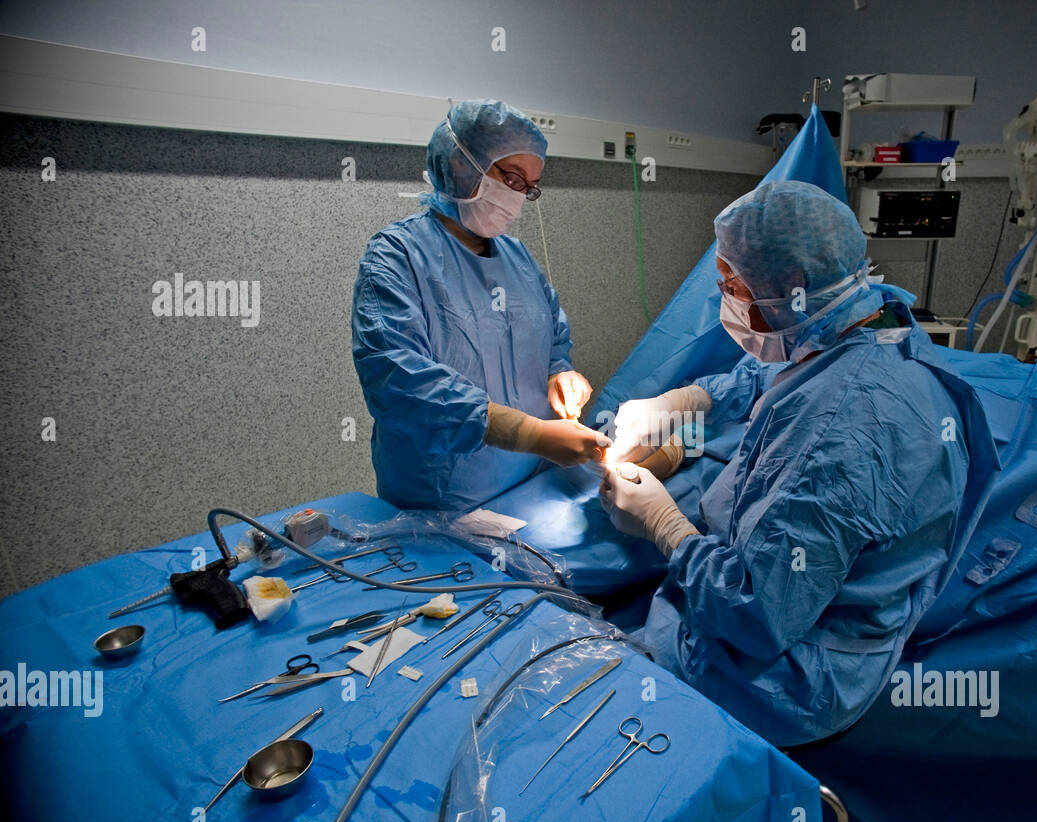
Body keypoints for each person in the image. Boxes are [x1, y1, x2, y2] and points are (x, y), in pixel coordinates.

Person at [600, 180, 1000, 746]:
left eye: (733, 284)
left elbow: (756, 615)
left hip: (787, 677)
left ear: (790, 290)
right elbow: (779, 371)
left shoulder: (835, 435)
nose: (726, 298)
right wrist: (691, 400)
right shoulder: (871, 319)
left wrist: (664, 525)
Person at [351, 99, 608, 514]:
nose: (519, 196)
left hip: (528, 485)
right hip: (442, 499)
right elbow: (397, 380)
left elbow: (551, 337)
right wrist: (530, 434)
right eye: (511, 177)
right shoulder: (397, 257)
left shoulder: (518, 259)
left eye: (529, 187)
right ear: (459, 164)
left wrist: (560, 372)